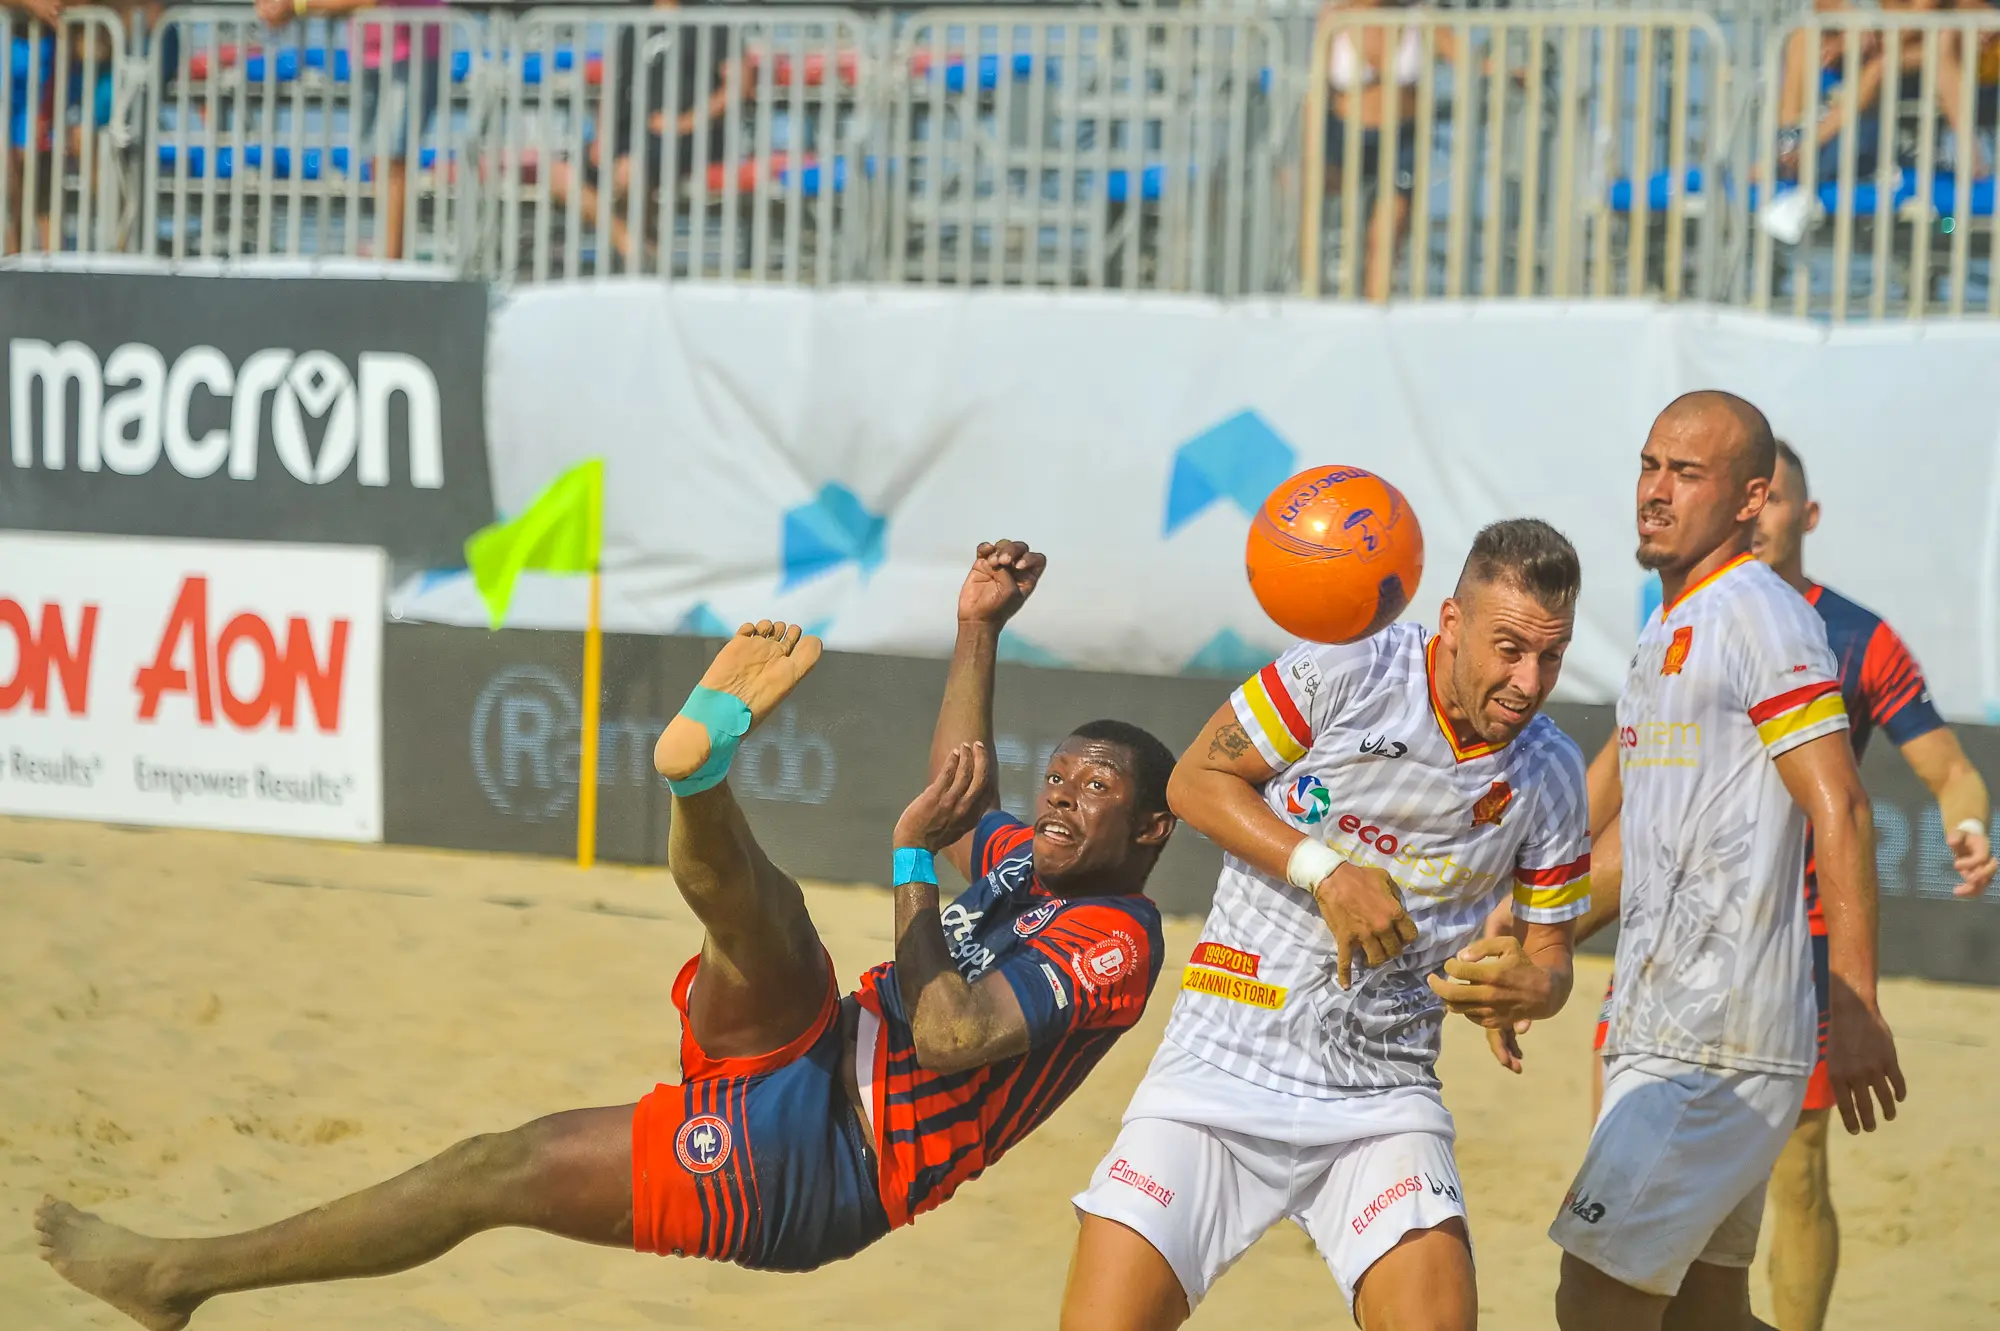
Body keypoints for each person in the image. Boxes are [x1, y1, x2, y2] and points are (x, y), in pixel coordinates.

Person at [36, 541, 1178, 1330]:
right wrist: (975, 626)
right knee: (760, 912)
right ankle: (698, 778)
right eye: (1059, 777)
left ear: (1152, 825)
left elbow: (946, 1032)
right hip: (820, 1036)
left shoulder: (1118, 934)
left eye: (1094, 789)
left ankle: (175, 1274)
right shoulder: (1026, 857)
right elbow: (960, 794)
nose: (1061, 799)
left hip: (827, 1159)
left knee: (495, 1166)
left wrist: (907, 861)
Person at [1060, 518, 1593, 1331]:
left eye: (1550, 657)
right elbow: (1195, 782)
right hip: (1221, 1071)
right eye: (1509, 648)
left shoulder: (1549, 771)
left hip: (1381, 1102)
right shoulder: (1348, 668)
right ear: (1452, 623)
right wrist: (1326, 872)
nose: (1528, 680)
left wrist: (1535, 985)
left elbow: (1552, 951)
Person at [1540, 438, 1993, 1331]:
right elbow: (1626, 811)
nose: (1658, 491)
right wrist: (1538, 927)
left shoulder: (1818, 627)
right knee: (1694, 1294)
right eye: (1649, 467)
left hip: (1767, 975)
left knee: (1758, 1193)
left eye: (1688, 473)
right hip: (1667, 981)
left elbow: (1912, 782)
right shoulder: (1673, 620)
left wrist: (1965, 825)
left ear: (1778, 509)